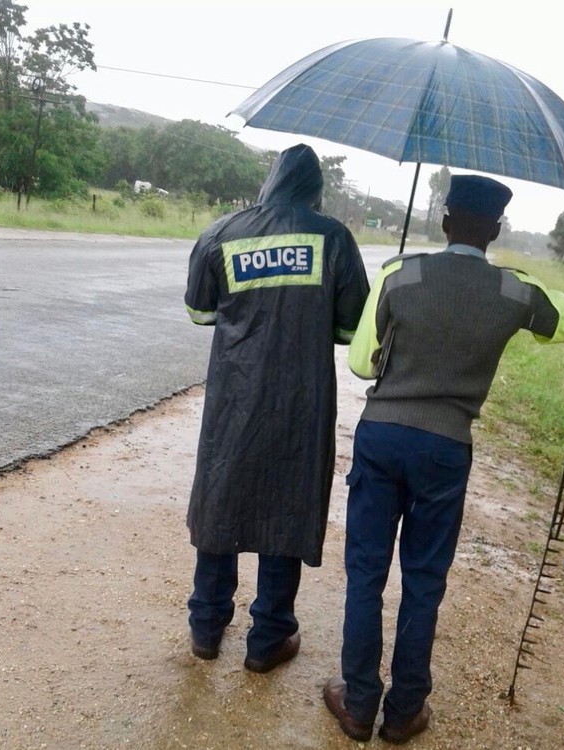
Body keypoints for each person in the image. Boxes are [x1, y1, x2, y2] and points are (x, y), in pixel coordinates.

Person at [323, 174, 564, 743]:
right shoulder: (513, 291)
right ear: (495, 228)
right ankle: (406, 709)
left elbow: (363, 364)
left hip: (382, 435)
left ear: (444, 219)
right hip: (446, 448)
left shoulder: (399, 273)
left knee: (365, 574)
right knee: (424, 580)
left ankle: (358, 702)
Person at [184, 143, 369, 672]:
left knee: (222, 497)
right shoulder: (334, 238)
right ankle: (268, 640)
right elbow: (351, 329)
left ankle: (206, 625)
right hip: (300, 403)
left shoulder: (221, 233)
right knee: (288, 503)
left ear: (270, 181)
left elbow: (199, 313)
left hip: (233, 401)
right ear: (315, 190)